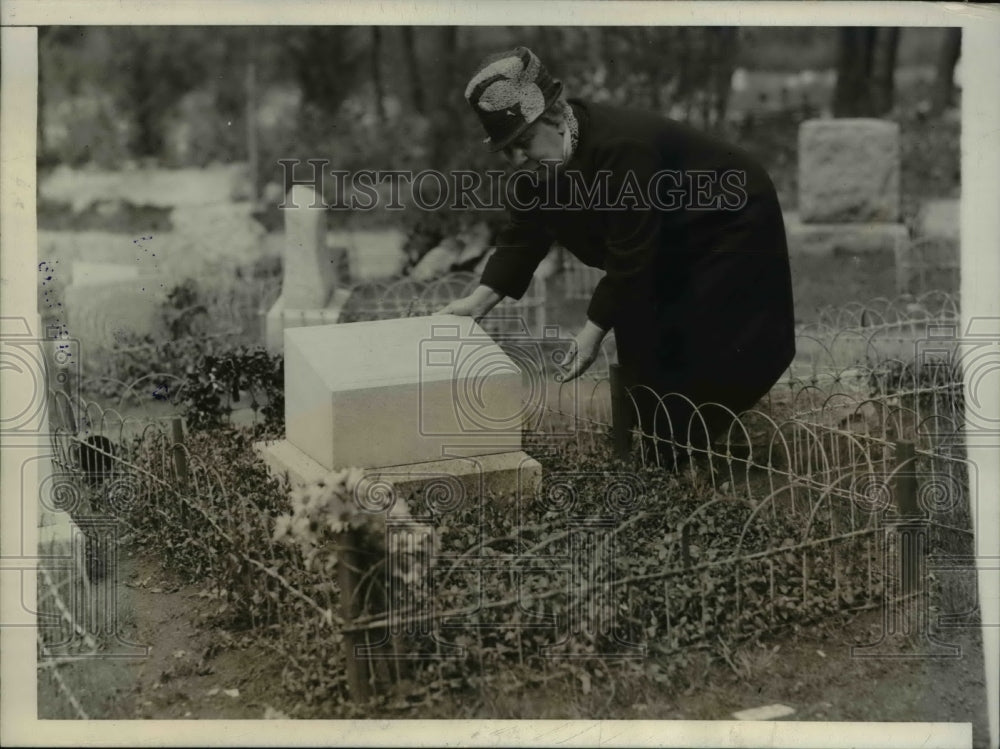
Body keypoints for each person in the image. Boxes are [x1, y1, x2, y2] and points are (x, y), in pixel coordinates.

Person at [439, 47, 796, 467]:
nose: (518, 158)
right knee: (642, 328)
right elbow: (523, 235)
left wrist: (591, 332)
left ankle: (697, 449)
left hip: (727, 219)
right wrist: (478, 302)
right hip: (667, 236)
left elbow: (631, 253)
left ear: (553, 117)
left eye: (523, 143)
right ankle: (666, 452)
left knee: (700, 334)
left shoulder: (622, 147)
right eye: (506, 149)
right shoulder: (540, 166)